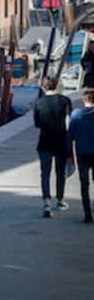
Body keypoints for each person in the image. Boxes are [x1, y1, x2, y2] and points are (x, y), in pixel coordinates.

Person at [33, 76, 71, 218]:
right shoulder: (64, 101)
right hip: (61, 142)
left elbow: (37, 124)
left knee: (45, 173)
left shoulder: (38, 103)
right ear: (56, 85)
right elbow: (68, 122)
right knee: (61, 172)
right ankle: (60, 200)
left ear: (43, 87)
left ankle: (46, 202)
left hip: (44, 142)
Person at [67, 87, 94, 223]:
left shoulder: (76, 114)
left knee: (84, 184)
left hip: (82, 153)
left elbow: (69, 136)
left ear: (84, 100)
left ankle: (87, 212)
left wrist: (69, 155)